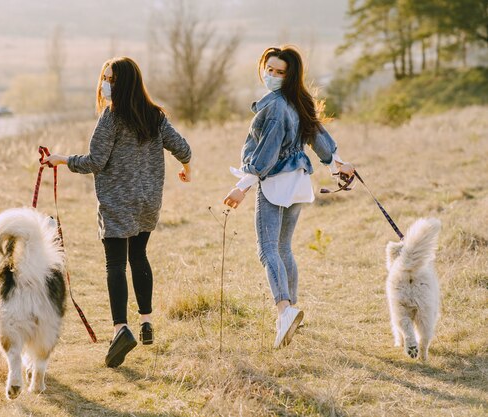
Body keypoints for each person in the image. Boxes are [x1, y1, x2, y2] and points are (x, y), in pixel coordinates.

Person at [43, 57, 192, 367]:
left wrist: (61, 160)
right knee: (139, 257)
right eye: (103, 78)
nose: (105, 85)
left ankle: (120, 329)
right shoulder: (155, 116)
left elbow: (94, 162)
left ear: (124, 83)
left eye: (110, 79)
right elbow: (183, 148)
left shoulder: (110, 119)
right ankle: (147, 322)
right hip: (147, 202)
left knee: (115, 263)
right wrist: (186, 169)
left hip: (116, 203)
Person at [223, 46, 354, 348]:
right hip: (298, 183)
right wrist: (339, 165)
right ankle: (292, 309)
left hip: (275, 184)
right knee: (284, 248)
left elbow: (265, 155)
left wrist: (242, 186)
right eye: (269, 69)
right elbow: (320, 140)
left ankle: (284, 311)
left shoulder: (278, 107)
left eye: (279, 72)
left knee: (267, 249)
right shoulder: (298, 102)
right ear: (262, 67)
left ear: (290, 75)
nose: (272, 75)